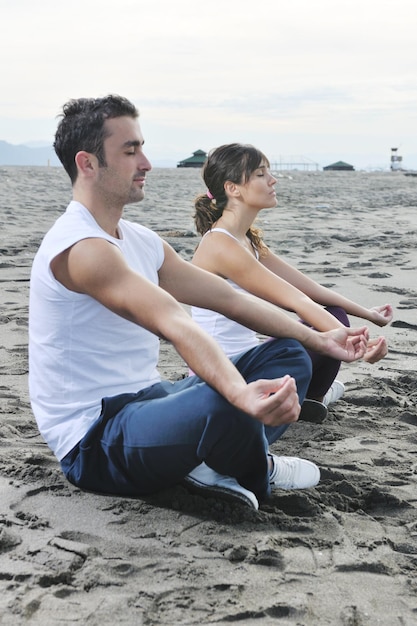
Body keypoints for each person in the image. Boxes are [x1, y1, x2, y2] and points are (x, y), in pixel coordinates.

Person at [28, 96, 369, 512]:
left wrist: (320, 338)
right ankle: (254, 468)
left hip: (152, 399)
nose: (147, 162)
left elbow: (227, 299)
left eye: (143, 147)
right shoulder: (81, 248)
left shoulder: (140, 240)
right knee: (223, 400)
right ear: (88, 164)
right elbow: (174, 321)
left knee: (287, 353)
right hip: (96, 438)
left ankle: (213, 457)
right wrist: (238, 394)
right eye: (130, 150)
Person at [191, 143, 392, 421]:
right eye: (261, 174)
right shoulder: (220, 244)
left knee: (333, 313)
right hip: (226, 375)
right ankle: (306, 398)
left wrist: (368, 314)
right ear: (233, 188)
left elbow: (310, 290)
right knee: (318, 329)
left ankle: (309, 400)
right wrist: (358, 344)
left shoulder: (246, 239)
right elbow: (295, 301)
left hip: (250, 361)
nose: (272, 180)